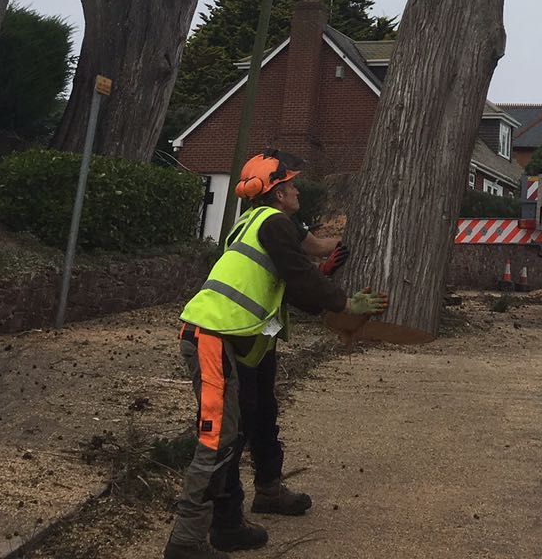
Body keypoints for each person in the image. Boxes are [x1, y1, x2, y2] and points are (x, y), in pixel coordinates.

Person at [165, 150, 388, 559]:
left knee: (258, 414)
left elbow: (294, 278)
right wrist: (344, 304)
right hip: (213, 338)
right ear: (278, 193)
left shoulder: (251, 224)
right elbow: (299, 276)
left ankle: (234, 520)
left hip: (240, 340)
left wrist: (327, 273)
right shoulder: (273, 222)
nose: (298, 189)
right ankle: (186, 542)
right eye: (291, 185)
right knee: (217, 440)